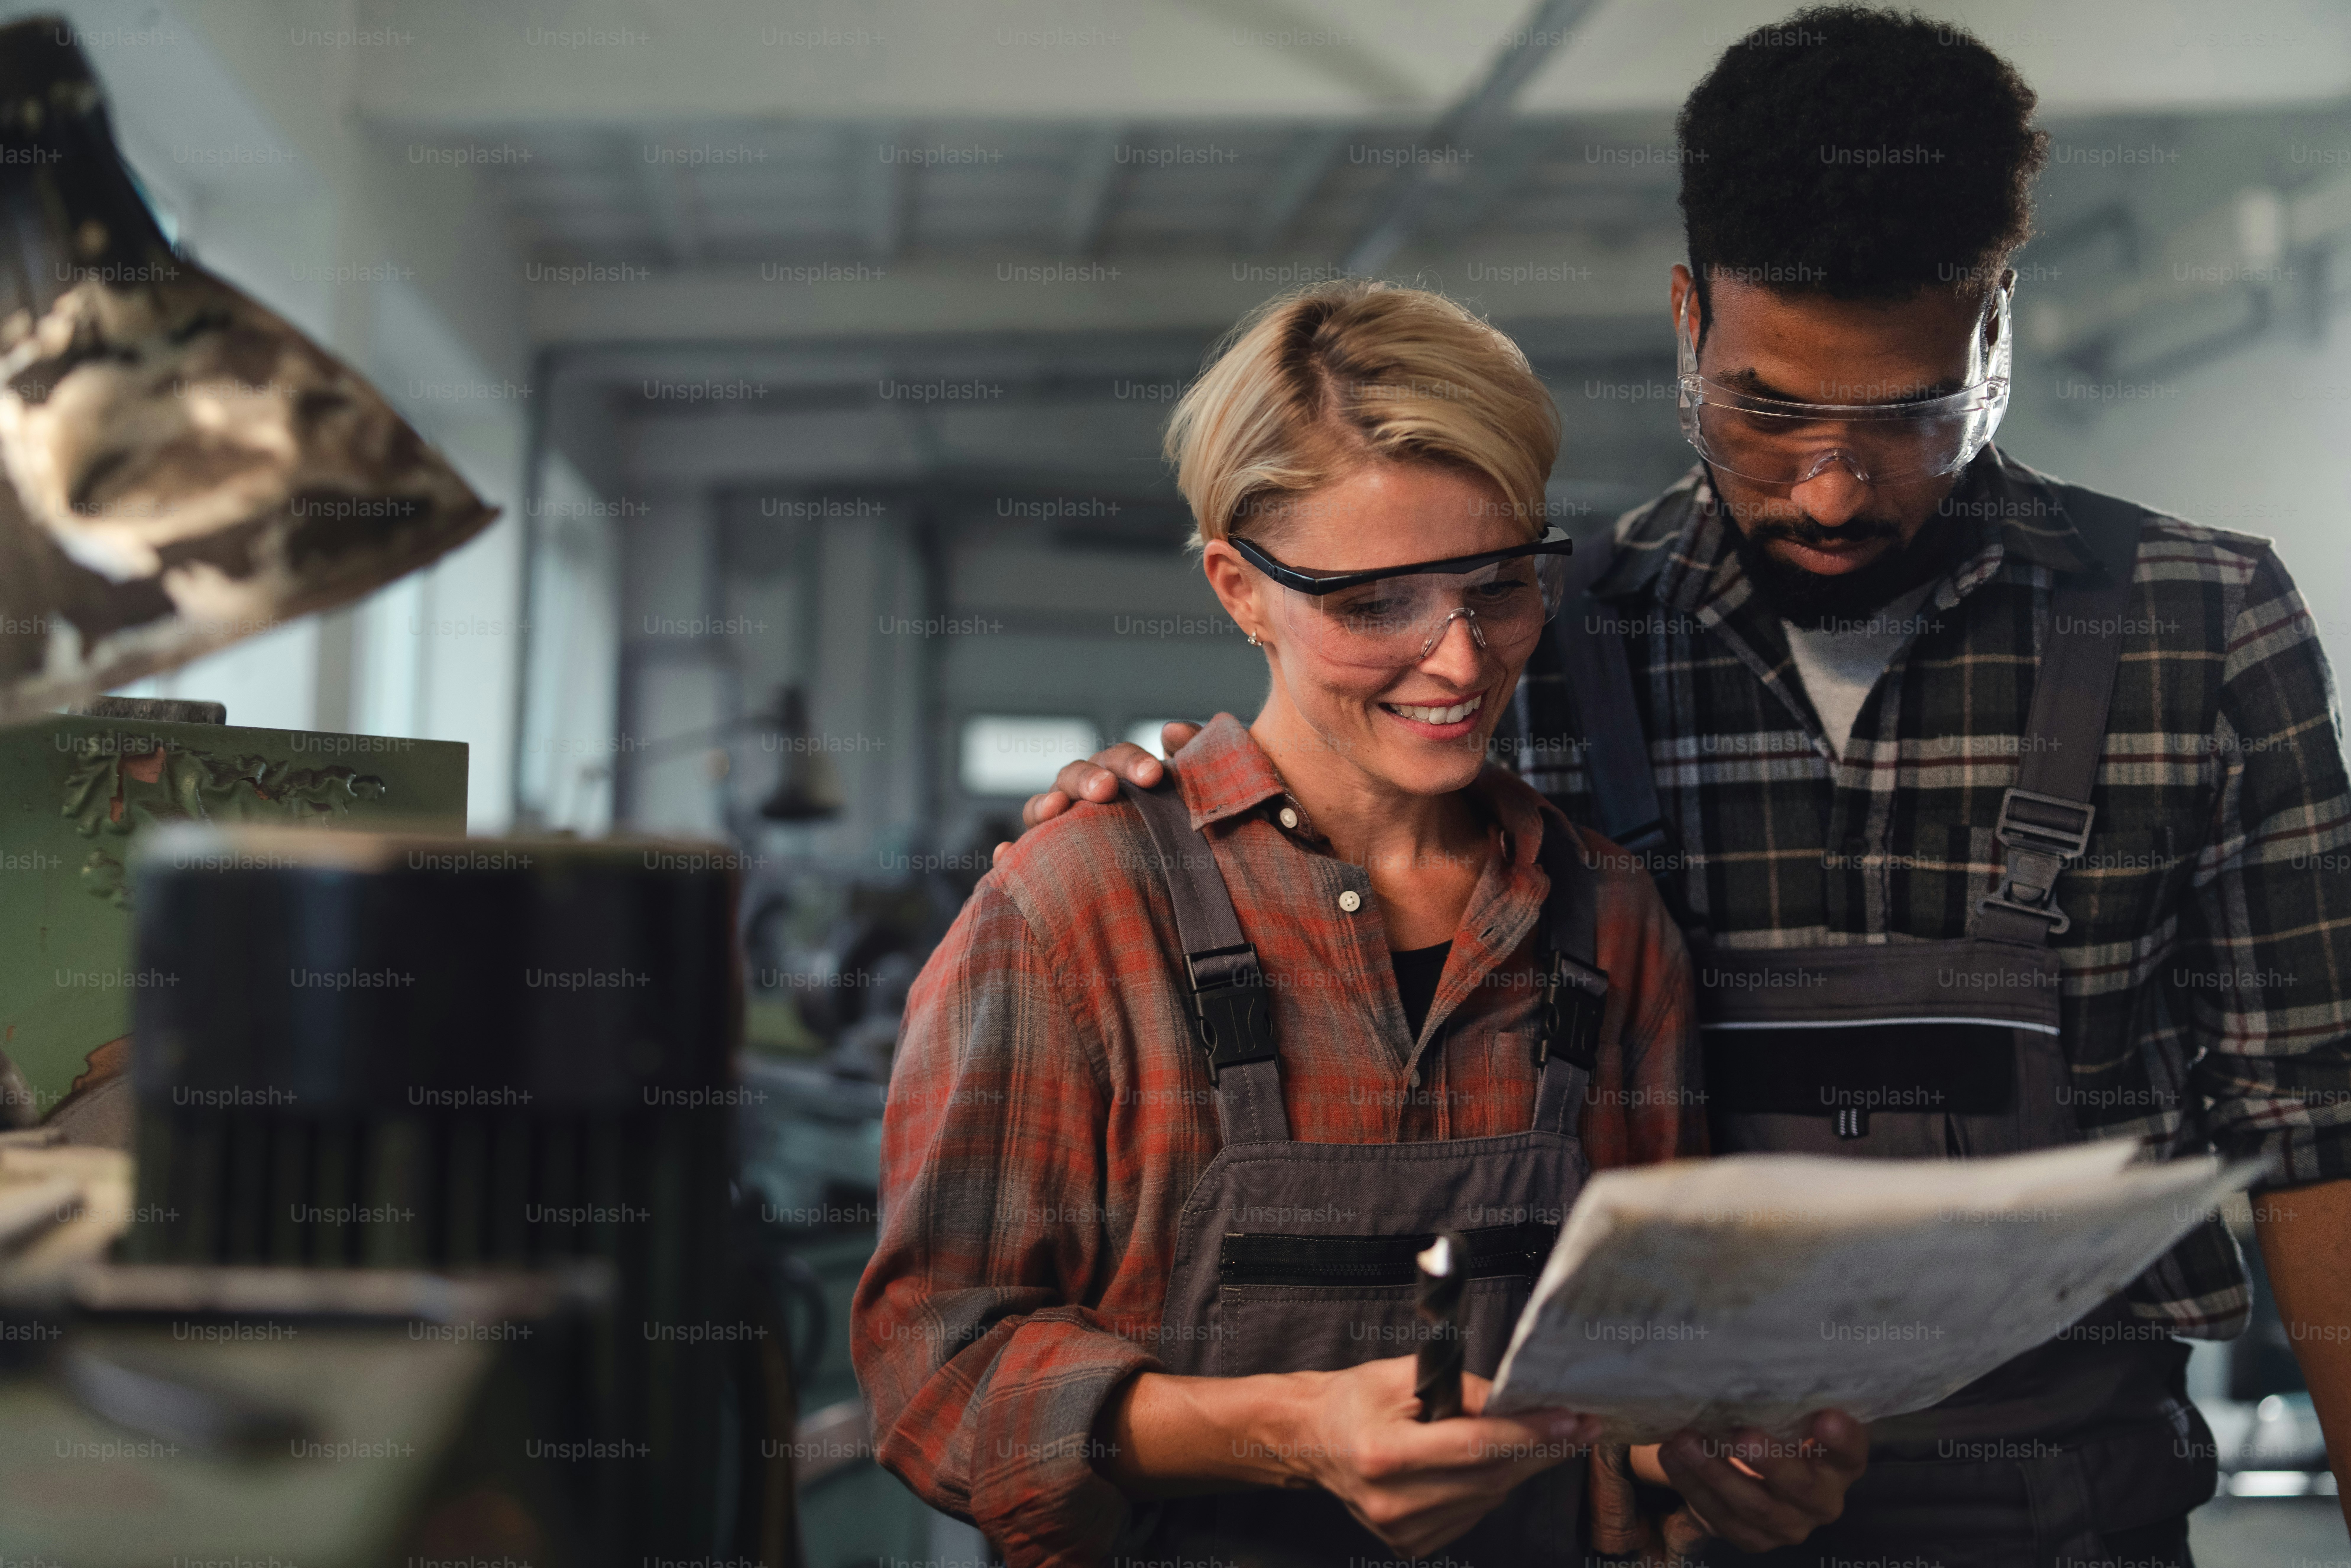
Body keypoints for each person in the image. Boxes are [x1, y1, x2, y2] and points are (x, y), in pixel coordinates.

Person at [1013, 8, 2351, 1565]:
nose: (1834, 488)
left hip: (2068, 1494)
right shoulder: (1541, 636)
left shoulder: (2204, 622)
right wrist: (1179, 792)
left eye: (1911, 416)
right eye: (1765, 411)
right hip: (1643, 1509)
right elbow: (1350, 905)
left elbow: (2316, 1131)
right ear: (1683, 322)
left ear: (1999, 330)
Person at [854, 280, 1866, 1567]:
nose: (1457, 662)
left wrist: (1706, 1453)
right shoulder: (1073, 912)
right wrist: (1288, 1429)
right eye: (1371, 605)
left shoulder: (1607, 916)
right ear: (1238, 587)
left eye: (1497, 587)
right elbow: (932, 1377)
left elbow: (1639, 1359)